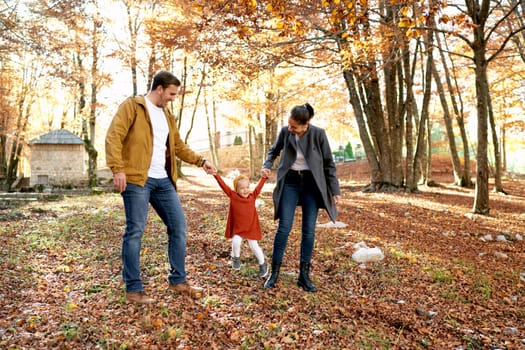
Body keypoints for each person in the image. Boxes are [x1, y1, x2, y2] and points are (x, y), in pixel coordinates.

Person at [105, 70, 216, 304]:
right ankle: (134, 290)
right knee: (135, 232)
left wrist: (201, 161)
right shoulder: (133, 106)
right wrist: (118, 168)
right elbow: (114, 136)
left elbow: (178, 146)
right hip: (137, 179)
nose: (173, 98)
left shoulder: (167, 116)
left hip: (163, 180)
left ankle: (178, 280)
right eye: (171, 94)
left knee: (179, 227)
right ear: (159, 89)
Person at [261, 102, 341, 293]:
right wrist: (267, 164)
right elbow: (274, 150)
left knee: (309, 231)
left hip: (311, 185)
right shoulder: (285, 132)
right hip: (290, 182)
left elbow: (329, 163)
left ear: (306, 124)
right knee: (284, 227)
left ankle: (304, 276)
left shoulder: (318, 134)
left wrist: (335, 190)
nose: (291, 129)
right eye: (289, 124)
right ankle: (274, 273)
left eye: (294, 126)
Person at [212, 171, 269, 278]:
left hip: (251, 227)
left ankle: (263, 264)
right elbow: (223, 186)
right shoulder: (233, 196)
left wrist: (264, 178)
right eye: (242, 188)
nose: (245, 190)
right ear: (236, 189)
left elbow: (258, 187)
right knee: (236, 241)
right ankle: (236, 258)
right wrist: (216, 175)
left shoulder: (252, 196)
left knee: (254, 246)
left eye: (247, 187)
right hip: (238, 228)